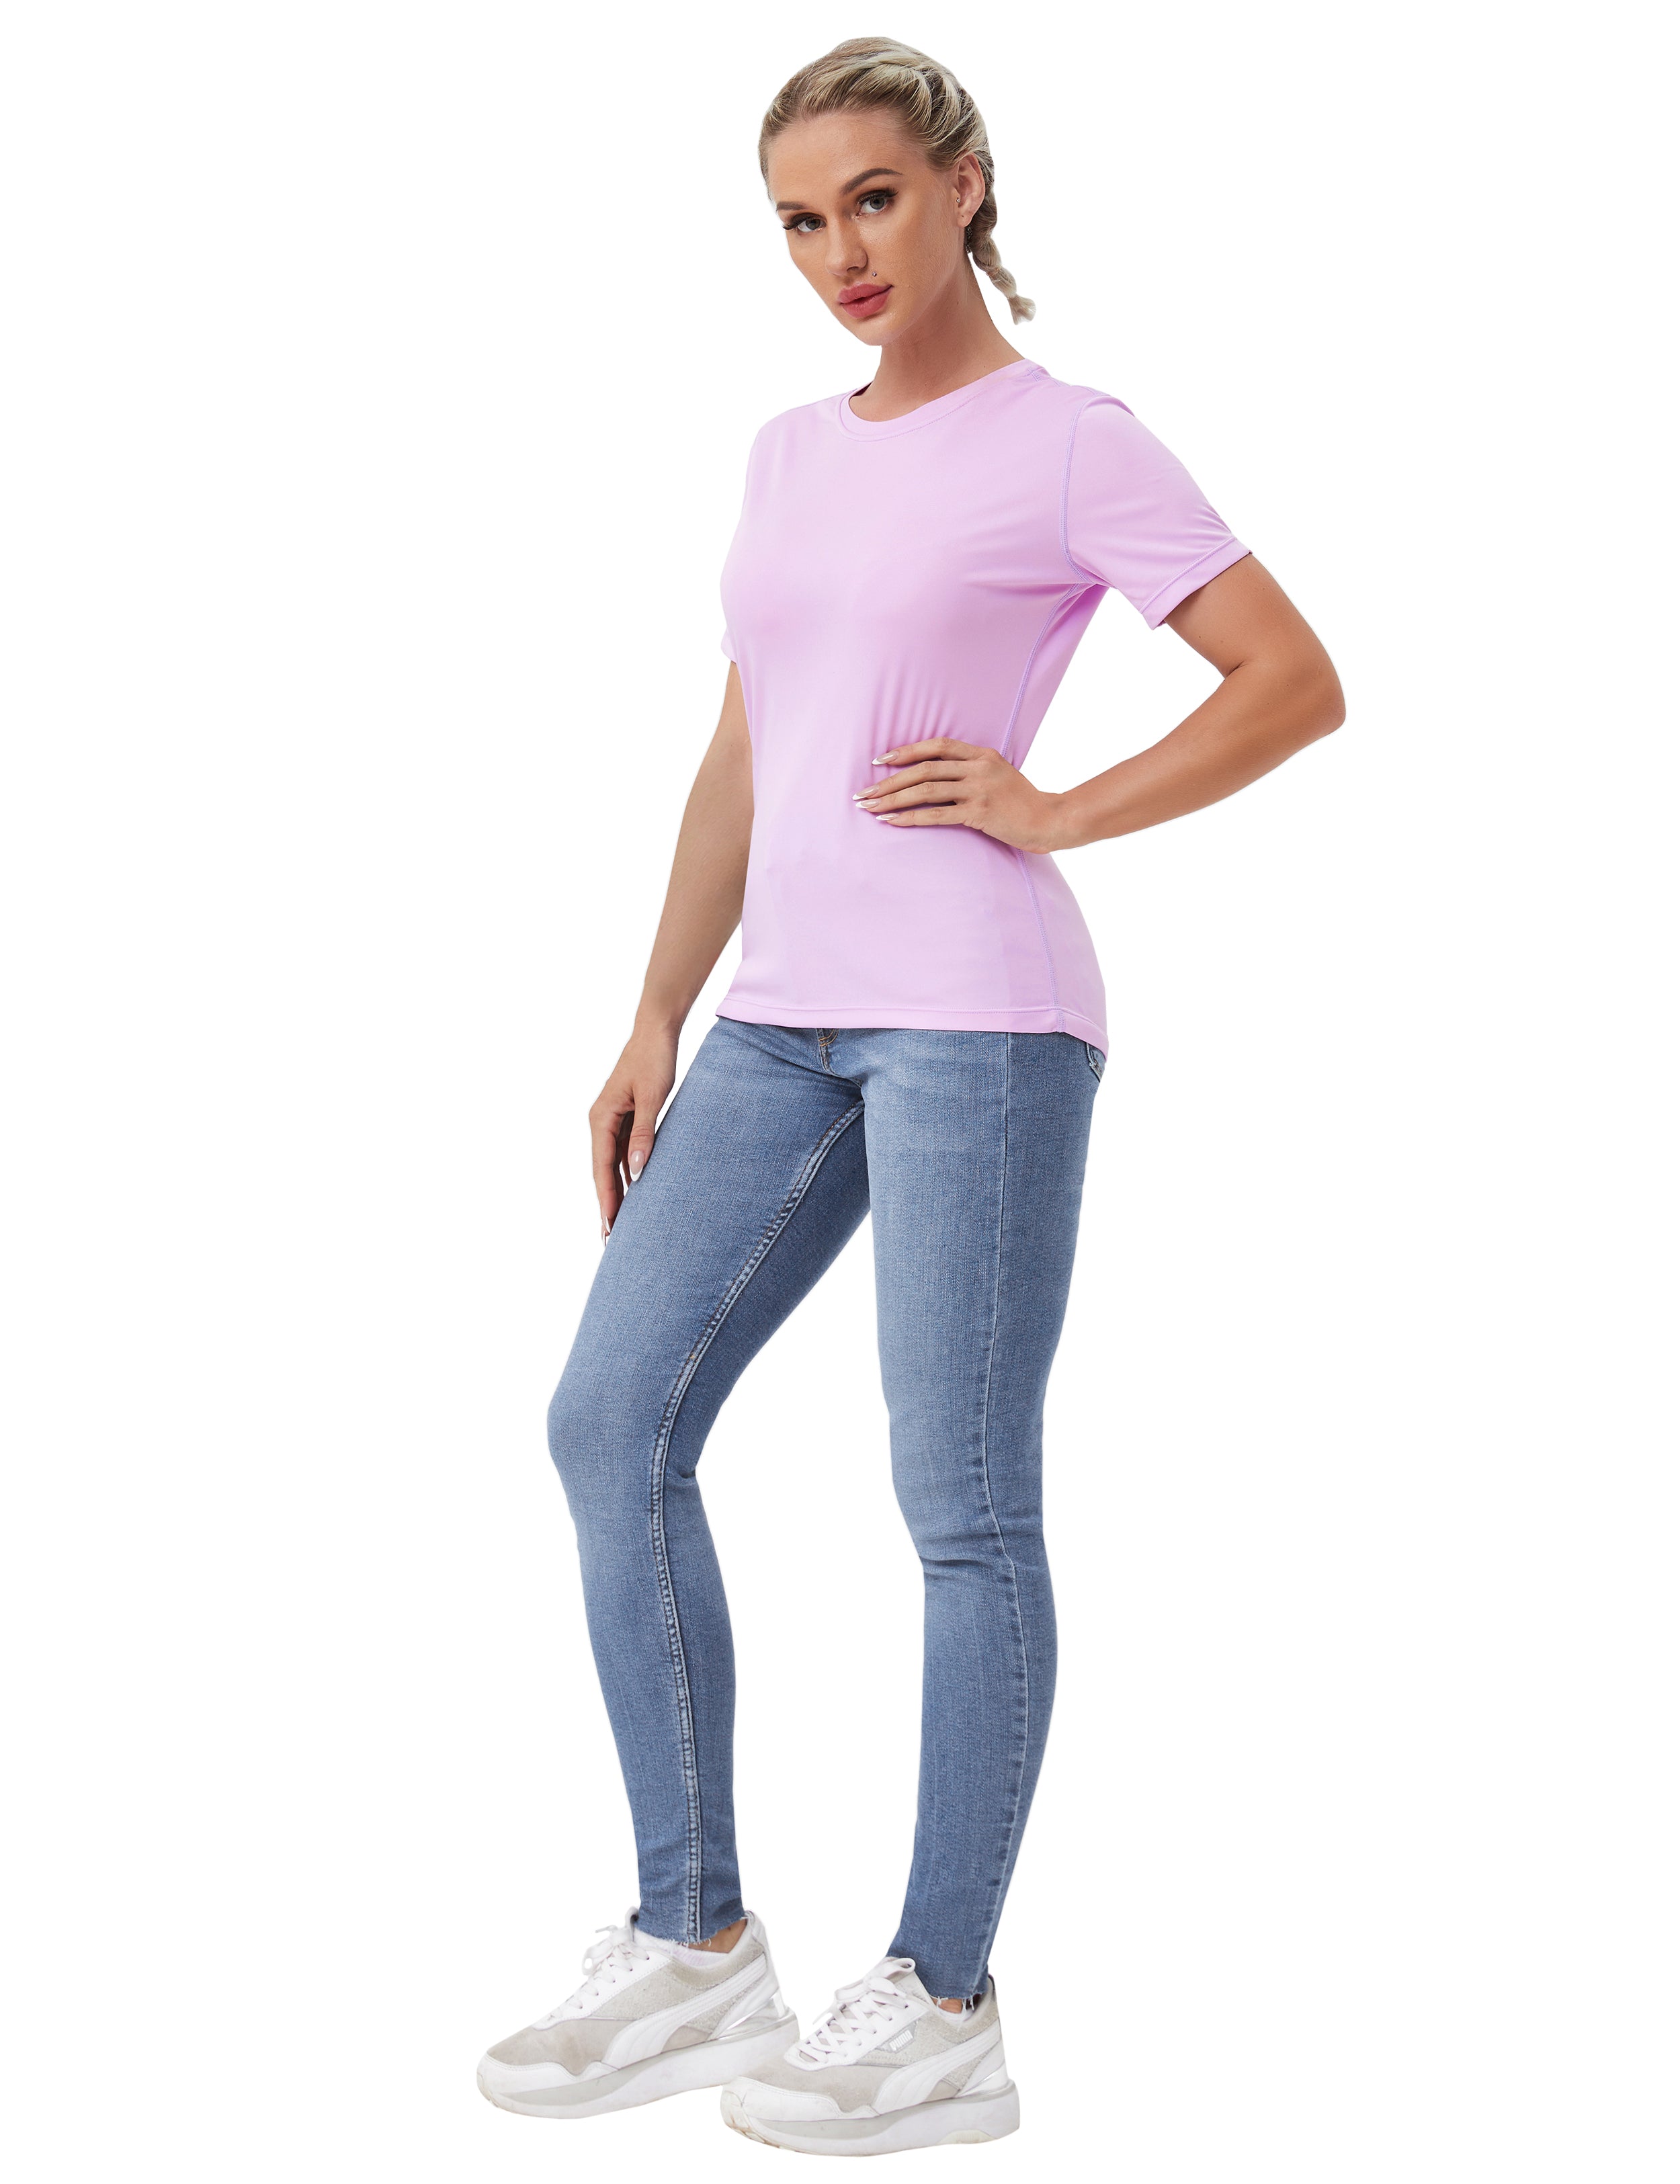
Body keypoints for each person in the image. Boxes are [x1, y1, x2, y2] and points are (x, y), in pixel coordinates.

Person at [476, 35, 1343, 2157]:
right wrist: (653, 1012)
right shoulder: (785, 452)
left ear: (963, 183)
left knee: (959, 1503)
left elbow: (1292, 678)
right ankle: (694, 1935)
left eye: (870, 197)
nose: (838, 252)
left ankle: (943, 1995)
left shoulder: (1072, 443)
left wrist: (1055, 807)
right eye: (798, 220)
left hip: (978, 1019)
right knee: (608, 1420)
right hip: (778, 1020)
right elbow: (743, 750)